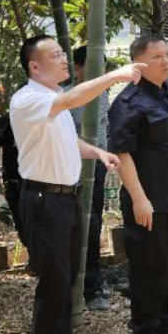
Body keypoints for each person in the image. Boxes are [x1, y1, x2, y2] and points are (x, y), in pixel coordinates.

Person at [9, 35, 143, 334]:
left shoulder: (54, 103)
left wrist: (97, 153)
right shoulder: (29, 99)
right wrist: (115, 76)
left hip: (66, 199)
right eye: (55, 55)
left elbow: (68, 142)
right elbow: (71, 98)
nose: (65, 60)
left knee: (68, 278)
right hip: (42, 200)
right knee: (53, 280)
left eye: (63, 54)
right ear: (34, 67)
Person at [108, 35, 168, 334]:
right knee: (150, 269)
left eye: (167, 54)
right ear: (139, 62)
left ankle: (162, 321)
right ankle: (145, 330)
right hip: (149, 203)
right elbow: (122, 153)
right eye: (158, 56)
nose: (166, 61)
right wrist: (138, 198)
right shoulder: (128, 103)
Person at [69, 46, 111, 311]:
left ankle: (92, 283)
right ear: (78, 69)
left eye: (103, 67)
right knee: (85, 226)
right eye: (94, 67)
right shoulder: (67, 97)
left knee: (95, 223)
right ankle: (86, 287)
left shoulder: (105, 94)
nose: (101, 73)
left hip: (98, 168)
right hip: (74, 171)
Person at [0, 110, 27, 251]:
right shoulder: (7, 120)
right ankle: (34, 256)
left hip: (39, 181)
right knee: (21, 223)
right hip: (14, 181)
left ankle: (40, 260)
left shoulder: (44, 115)